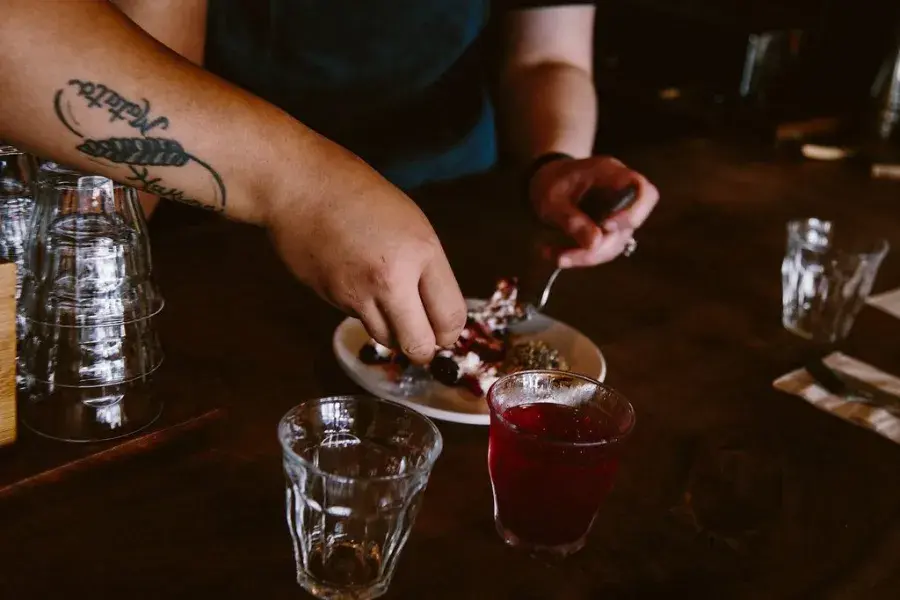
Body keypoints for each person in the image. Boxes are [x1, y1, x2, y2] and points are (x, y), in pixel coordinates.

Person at [0, 0, 657, 364]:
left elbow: (547, 55)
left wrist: (553, 162)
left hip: (452, 223)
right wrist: (301, 184)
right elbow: (127, 191)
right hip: (215, 244)